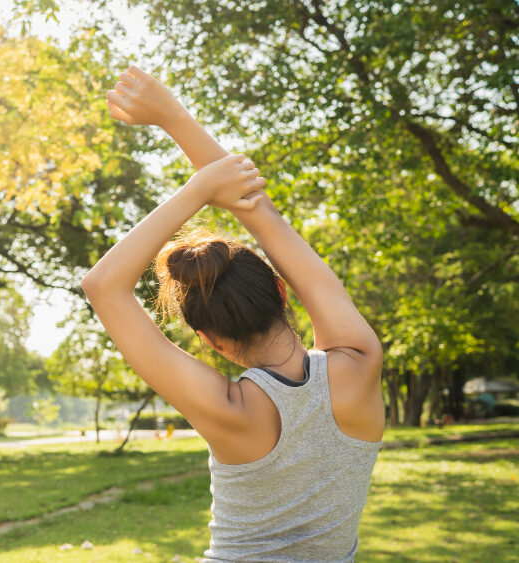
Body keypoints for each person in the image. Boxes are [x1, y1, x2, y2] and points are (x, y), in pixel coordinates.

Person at [81, 66, 385, 562]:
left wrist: (199, 190)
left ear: (209, 339)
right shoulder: (361, 361)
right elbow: (259, 214)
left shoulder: (229, 410)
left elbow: (103, 285)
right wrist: (175, 119)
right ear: (283, 292)